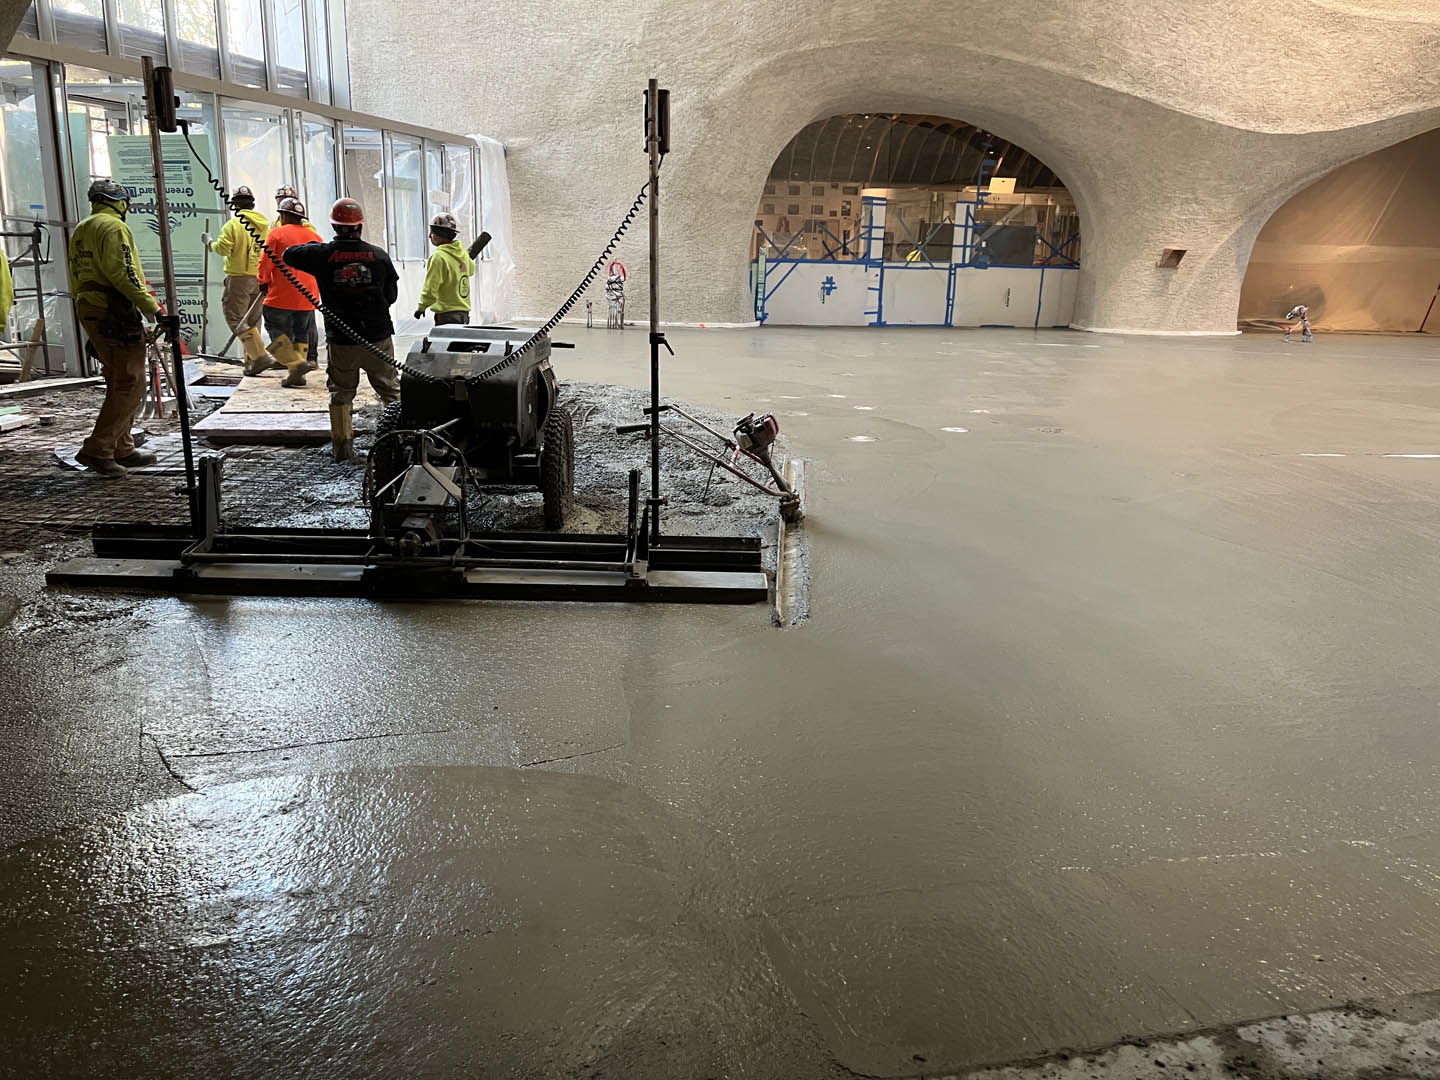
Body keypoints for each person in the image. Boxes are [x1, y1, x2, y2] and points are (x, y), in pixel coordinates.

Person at [282, 198, 400, 462]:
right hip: (377, 337)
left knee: (341, 393)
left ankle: (343, 450)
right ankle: (398, 445)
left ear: (335, 226)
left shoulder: (322, 255)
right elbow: (391, 295)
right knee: (391, 391)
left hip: (342, 341)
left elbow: (288, 255)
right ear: (359, 226)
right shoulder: (379, 255)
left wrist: (317, 248)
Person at [66, 178, 160, 477]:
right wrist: (152, 308)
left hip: (91, 305)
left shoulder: (83, 228)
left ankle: (122, 445)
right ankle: (99, 449)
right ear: (121, 203)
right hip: (111, 309)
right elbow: (124, 273)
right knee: (129, 382)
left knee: (119, 376)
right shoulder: (114, 227)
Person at [257, 197, 323, 386]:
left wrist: (263, 281)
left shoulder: (277, 234)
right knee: (301, 332)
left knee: (274, 326)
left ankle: (295, 363)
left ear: (284, 215)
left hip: (281, 295)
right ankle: (298, 375)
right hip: (308, 296)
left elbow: (265, 262)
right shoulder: (316, 237)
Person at [204, 185, 269, 371]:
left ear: (235, 205)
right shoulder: (264, 225)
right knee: (254, 318)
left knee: (235, 318)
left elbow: (223, 249)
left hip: (240, 277)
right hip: (260, 277)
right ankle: (252, 362)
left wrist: (210, 243)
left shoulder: (233, 225)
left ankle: (258, 356)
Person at [414, 212, 474, 326]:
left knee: (447, 343)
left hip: (447, 315)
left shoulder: (438, 258)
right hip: (464, 314)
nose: (429, 235)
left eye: (432, 232)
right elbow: (470, 271)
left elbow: (431, 288)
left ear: (438, 234)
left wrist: (421, 307)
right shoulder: (463, 254)